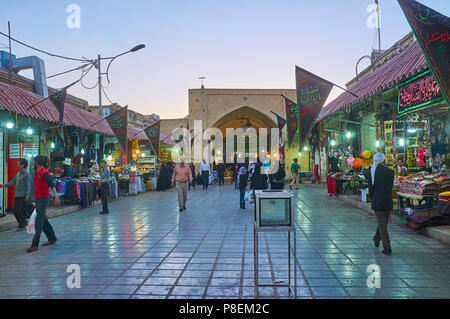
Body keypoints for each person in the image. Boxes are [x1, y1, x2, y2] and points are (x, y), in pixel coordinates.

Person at [27, 155, 60, 253]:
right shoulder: (36, 172)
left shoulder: (44, 173)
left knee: (39, 220)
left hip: (44, 199)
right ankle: (52, 238)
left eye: (34, 161)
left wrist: (56, 197)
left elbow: (52, 185)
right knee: (43, 219)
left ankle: (34, 244)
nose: (33, 163)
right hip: (38, 199)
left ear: (37, 162)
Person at [368, 153, 394, 256]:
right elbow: (391, 186)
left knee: (382, 225)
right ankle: (376, 238)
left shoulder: (372, 171)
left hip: (377, 201)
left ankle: (387, 247)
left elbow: (371, 188)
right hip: (388, 201)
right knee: (383, 223)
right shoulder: (390, 172)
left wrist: (372, 199)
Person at [0, 158, 32, 231]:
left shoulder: (27, 174)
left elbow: (28, 185)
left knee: (21, 211)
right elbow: (13, 182)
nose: (17, 165)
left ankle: (21, 226)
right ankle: (23, 223)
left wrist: (27, 195)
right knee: (14, 210)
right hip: (17, 195)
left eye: (18, 164)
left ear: (22, 165)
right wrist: (4, 185)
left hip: (23, 196)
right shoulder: (18, 174)